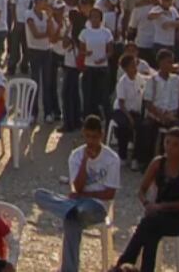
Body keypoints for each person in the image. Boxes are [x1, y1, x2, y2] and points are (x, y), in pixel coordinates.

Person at [34, 115, 120, 272]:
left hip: (97, 207)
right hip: (76, 203)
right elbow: (77, 188)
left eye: (95, 137)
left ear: (101, 135)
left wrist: (84, 196)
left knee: (74, 213)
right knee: (40, 196)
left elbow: (110, 194)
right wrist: (85, 162)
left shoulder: (112, 159)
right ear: (83, 134)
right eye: (88, 136)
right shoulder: (76, 156)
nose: (91, 141)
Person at [110, 127, 179, 272]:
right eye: (167, 143)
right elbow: (141, 190)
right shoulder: (158, 162)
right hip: (158, 217)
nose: (170, 148)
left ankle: (123, 264)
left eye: (175, 144)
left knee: (147, 224)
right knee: (151, 232)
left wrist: (162, 207)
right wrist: (147, 203)